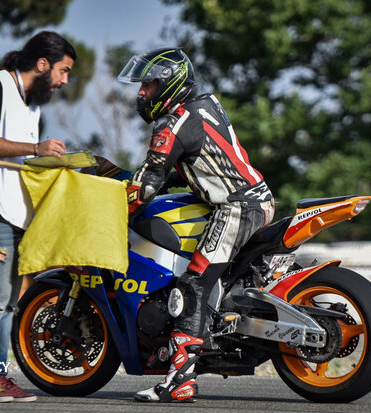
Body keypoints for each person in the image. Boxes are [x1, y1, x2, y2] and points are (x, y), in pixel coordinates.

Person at [118, 48, 275, 402]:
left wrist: (111, 210)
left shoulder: (172, 123)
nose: (142, 93)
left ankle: (179, 380)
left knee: (191, 286)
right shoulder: (205, 105)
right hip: (258, 199)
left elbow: (144, 185)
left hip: (236, 207)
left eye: (149, 84)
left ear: (170, 82)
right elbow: (198, 160)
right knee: (211, 279)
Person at [0, 31, 76, 402]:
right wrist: (34, 147)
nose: (64, 81)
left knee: (9, 301)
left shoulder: (32, 106)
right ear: (42, 64)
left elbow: (22, 161)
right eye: (63, 71)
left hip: (14, 214)